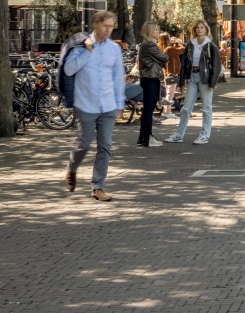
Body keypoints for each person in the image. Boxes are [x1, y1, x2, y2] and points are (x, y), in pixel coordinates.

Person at [63, 10, 125, 201]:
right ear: (95, 24)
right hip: (85, 104)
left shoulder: (114, 49)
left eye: (111, 26)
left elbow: (117, 78)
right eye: (105, 25)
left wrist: (119, 105)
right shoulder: (80, 45)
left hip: (107, 105)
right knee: (84, 144)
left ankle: (97, 187)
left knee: (105, 146)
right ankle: (72, 168)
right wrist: (86, 53)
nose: (108, 30)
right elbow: (68, 69)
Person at [165, 20, 220, 145]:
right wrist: (182, 82)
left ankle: (204, 135)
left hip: (205, 79)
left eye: (202, 27)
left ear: (206, 30)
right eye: (197, 28)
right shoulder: (190, 45)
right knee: (186, 108)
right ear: (195, 30)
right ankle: (179, 135)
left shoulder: (211, 45)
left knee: (206, 108)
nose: (199, 29)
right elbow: (184, 64)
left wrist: (212, 84)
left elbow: (216, 66)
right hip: (193, 77)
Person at [137, 22, 169, 147]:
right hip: (150, 78)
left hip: (148, 77)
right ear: (150, 32)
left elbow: (160, 58)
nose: (158, 31)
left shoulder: (146, 45)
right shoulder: (150, 45)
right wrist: (161, 59)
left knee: (148, 109)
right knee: (149, 109)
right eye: (155, 30)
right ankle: (148, 138)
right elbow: (164, 58)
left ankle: (143, 138)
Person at [160, 33, 184, 119]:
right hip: (172, 74)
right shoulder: (170, 49)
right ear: (167, 40)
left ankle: (164, 112)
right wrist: (177, 42)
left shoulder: (163, 49)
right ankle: (167, 112)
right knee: (170, 95)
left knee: (168, 94)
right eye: (169, 38)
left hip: (167, 74)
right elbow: (182, 50)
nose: (171, 39)